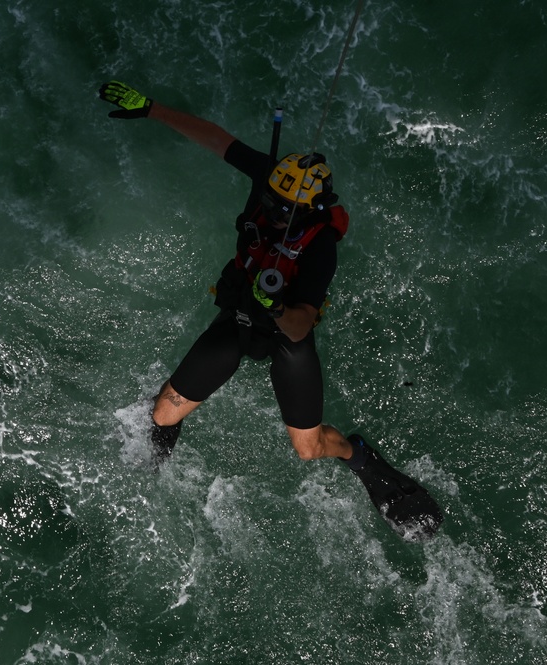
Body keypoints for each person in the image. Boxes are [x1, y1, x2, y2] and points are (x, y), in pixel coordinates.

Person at [99, 81, 442, 540]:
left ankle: (359, 456)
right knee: (163, 414)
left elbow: (300, 328)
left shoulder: (321, 248)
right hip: (239, 317)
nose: (274, 213)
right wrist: (152, 109)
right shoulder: (274, 181)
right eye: (271, 204)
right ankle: (147, 479)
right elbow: (217, 139)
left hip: (284, 334)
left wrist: (275, 305)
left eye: (284, 211)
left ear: (309, 211)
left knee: (308, 446)